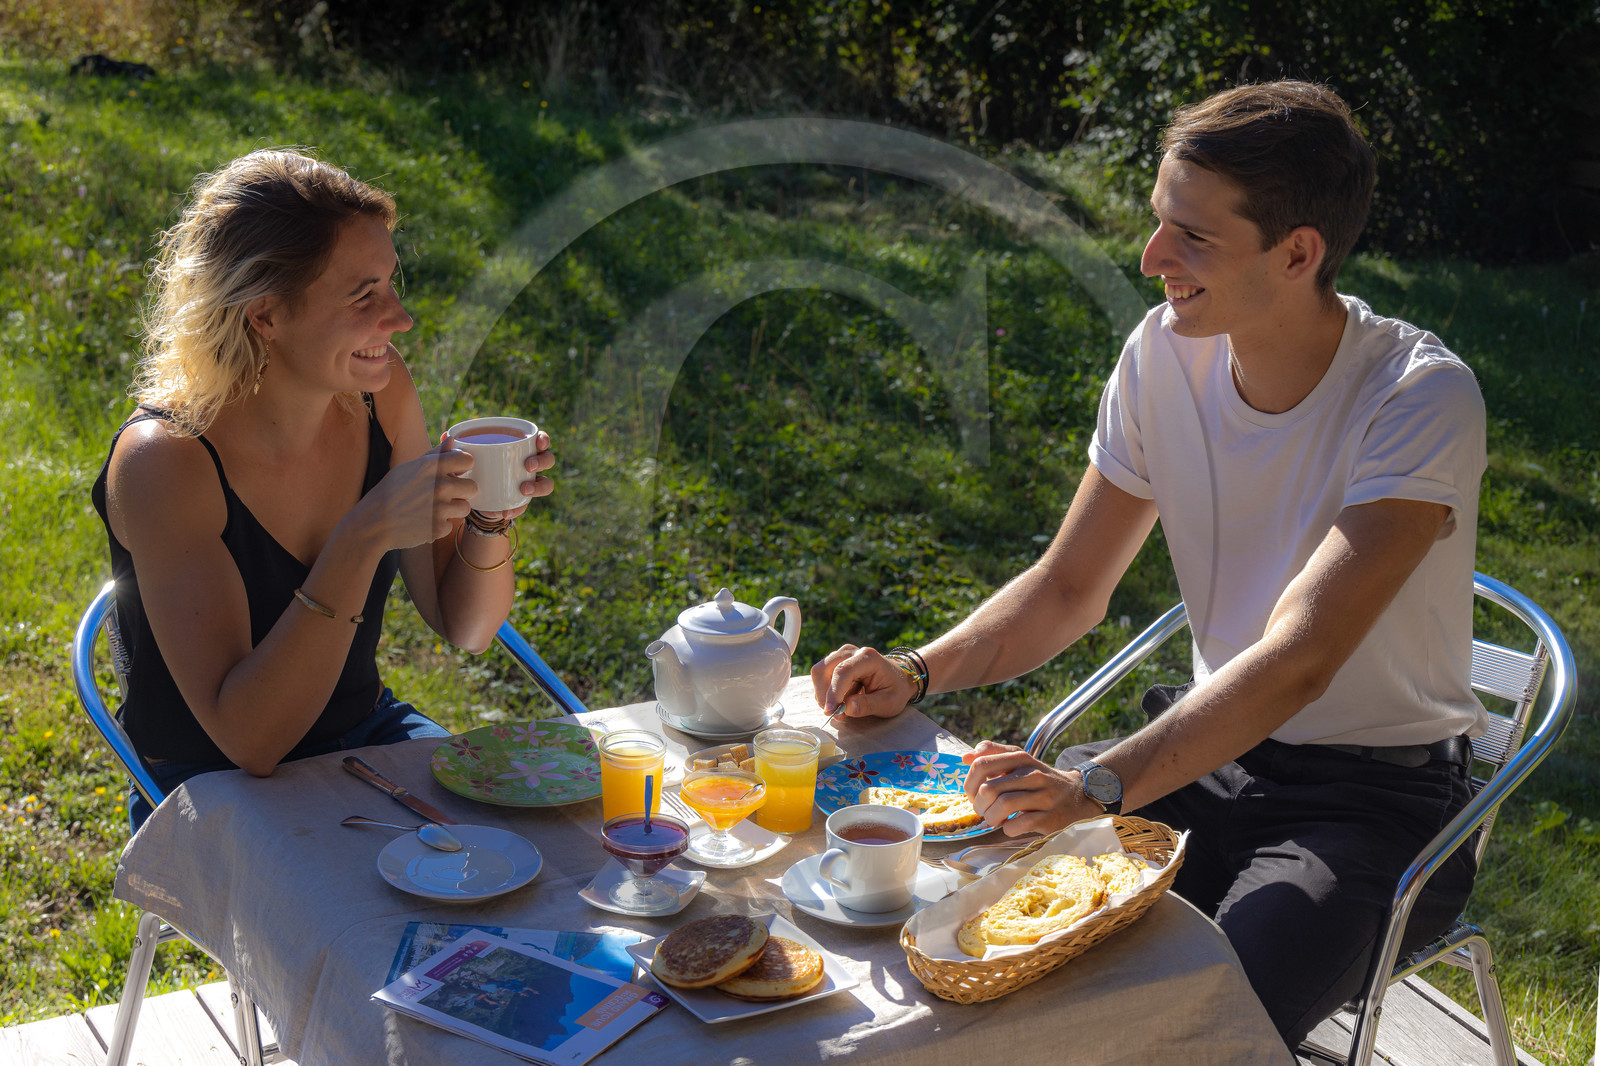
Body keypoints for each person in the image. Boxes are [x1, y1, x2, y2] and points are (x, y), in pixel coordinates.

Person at [812, 80, 1487, 1046]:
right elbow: (1067, 587)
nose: (1152, 258)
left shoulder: (1420, 397)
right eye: (1160, 222)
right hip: (1206, 761)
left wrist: (1100, 784)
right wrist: (918, 670)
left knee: (1191, 1029)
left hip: (1370, 803)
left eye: (1194, 238)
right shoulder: (1164, 355)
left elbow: (1302, 657)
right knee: (975, 935)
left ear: (1298, 253)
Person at [90, 149, 554, 831]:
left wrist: (489, 518)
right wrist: (363, 535)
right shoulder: (167, 460)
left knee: (529, 850)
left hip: (364, 740)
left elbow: (467, 625)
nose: (399, 320)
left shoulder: (377, 391)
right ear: (265, 316)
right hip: (209, 787)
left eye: (392, 285)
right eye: (363, 296)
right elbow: (251, 742)